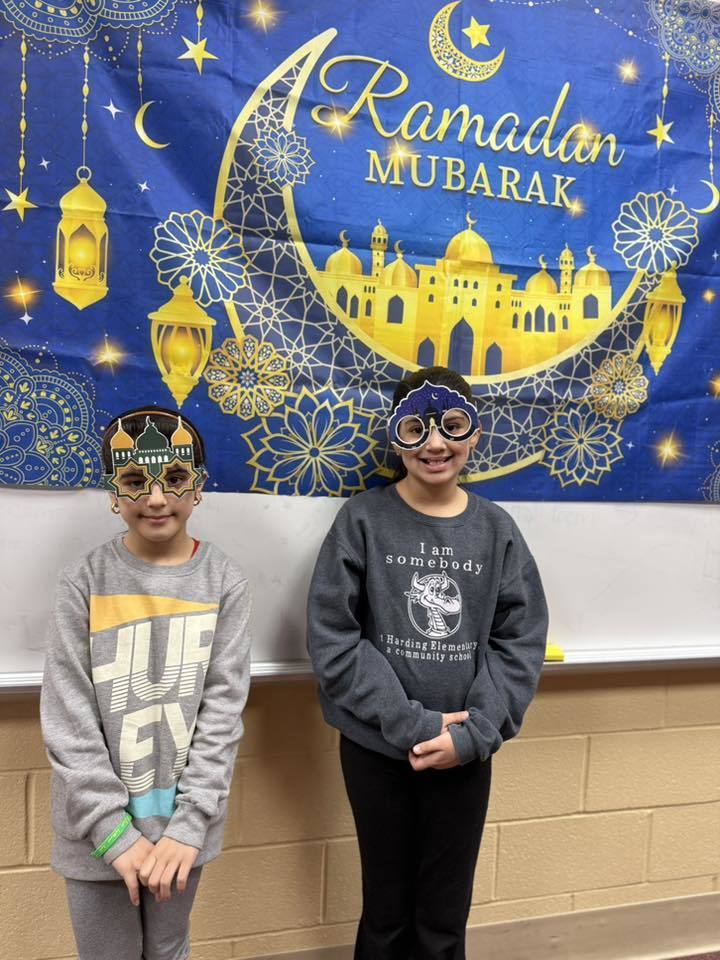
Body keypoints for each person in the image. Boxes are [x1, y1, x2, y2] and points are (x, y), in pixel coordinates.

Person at [306, 366, 548, 960]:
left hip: (467, 752)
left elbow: (518, 641)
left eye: (452, 426)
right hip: (377, 750)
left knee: (443, 920)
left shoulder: (496, 531)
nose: (435, 444)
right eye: (417, 427)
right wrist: (413, 724)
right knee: (385, 914)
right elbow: (333, 636)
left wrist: (474, 734)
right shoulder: (362, 521)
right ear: (396, 437)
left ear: (473, 434)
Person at [40, 406, 252, 960]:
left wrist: (189, 827)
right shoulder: (82, 582)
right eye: (136, 481)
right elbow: (68, 716)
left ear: (198, 485)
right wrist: (113, 831)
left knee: (169, 950)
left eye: (174, 479)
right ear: (113, 491)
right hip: (96, 834)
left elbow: (222, 716)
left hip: (182, 832)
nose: (156, 499)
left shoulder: (225, 581)